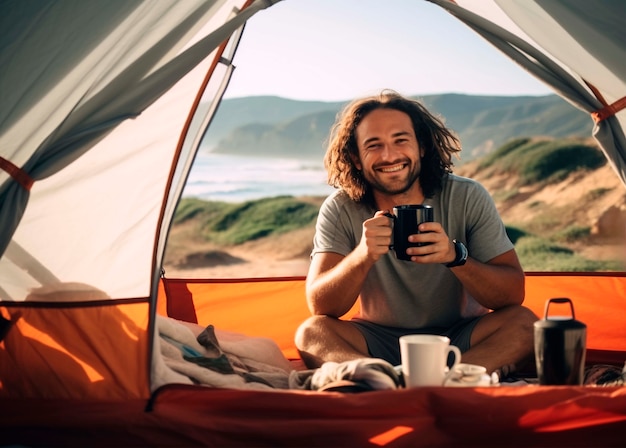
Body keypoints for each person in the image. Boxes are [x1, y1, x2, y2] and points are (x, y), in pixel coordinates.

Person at [294, 90, 538, 378]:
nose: (390, 155)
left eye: (401, 140)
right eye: (374, 145)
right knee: (311, 333)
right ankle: (388, 377)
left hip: (461, 337)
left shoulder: (467, 195)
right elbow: (321, 306)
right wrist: (362, 255)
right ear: (356, 158)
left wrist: (455, 256)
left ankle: (440, 380)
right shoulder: (340, 207)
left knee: (526, 324)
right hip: (376, 339)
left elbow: (512, 295)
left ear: (421, 146)